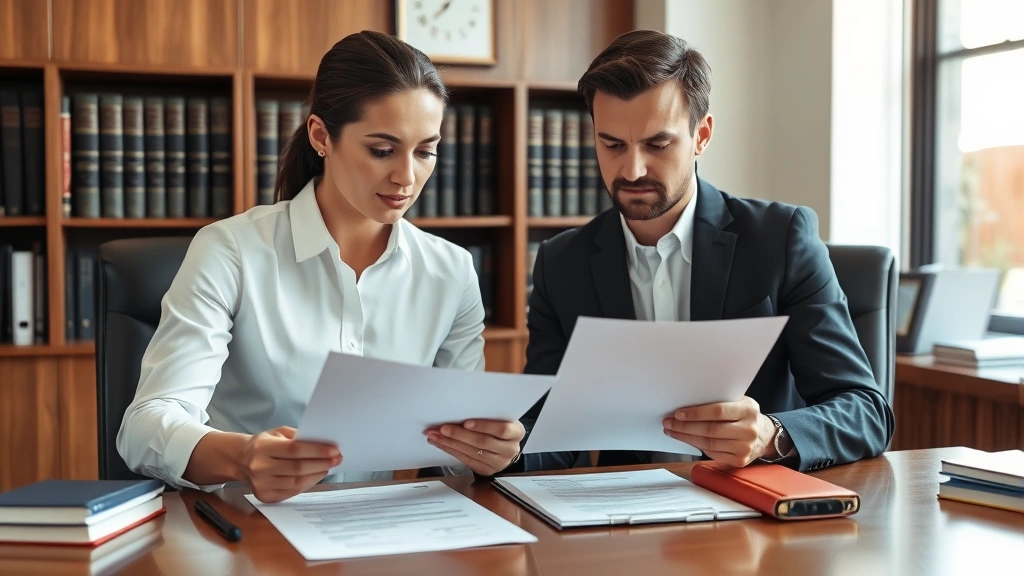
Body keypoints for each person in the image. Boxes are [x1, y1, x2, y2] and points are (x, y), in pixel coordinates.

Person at [117, 31, 523, 503]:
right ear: (321, 136)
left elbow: (456, 447)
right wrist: (243, 456)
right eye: (381, 149)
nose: (406, 177)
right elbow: (144, 426)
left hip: (378, 532)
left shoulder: (451, 272)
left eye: (425, 151)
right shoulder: (231, 250)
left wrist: (490, 449)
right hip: (245, 528)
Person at [516, 30, 894, 473]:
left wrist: (772, 435)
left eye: (658, 144)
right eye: (612, 145)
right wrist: (508, 449)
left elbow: (867, 411)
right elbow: (548, 431)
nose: (632, 169)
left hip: (753, 510)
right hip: (621, 515)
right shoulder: (562, 263)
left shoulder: (781, 239)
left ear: (702, 135)